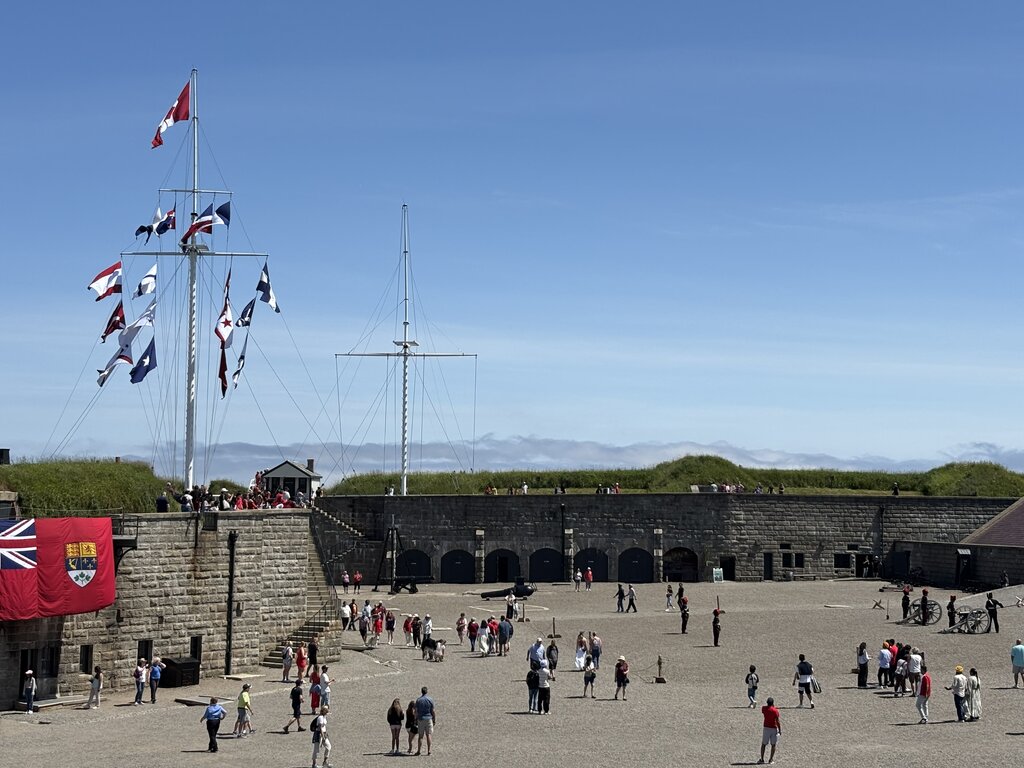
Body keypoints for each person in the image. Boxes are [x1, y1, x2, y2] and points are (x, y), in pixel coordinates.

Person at [759, 696, 781, 764]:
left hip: (766, 728)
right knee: (773, 745)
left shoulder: (764, 709)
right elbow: (777, 721)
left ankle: (762, 759)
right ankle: (770, 759)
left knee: (764, 744)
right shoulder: (775, 710)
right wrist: (780, 730)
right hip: (773, 728)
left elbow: (763, 709)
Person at [415, 686, 436, 756]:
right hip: (428, 718)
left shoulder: (418, 700)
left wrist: (416, 719)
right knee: (428, 735)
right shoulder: (430, 699)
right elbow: (433, 711)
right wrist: (434, 719)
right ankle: (429, 750)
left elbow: (416, 712)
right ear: (426, 691)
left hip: (421, 719)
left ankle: (419, 751)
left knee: (420, 736)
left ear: (421, 691)